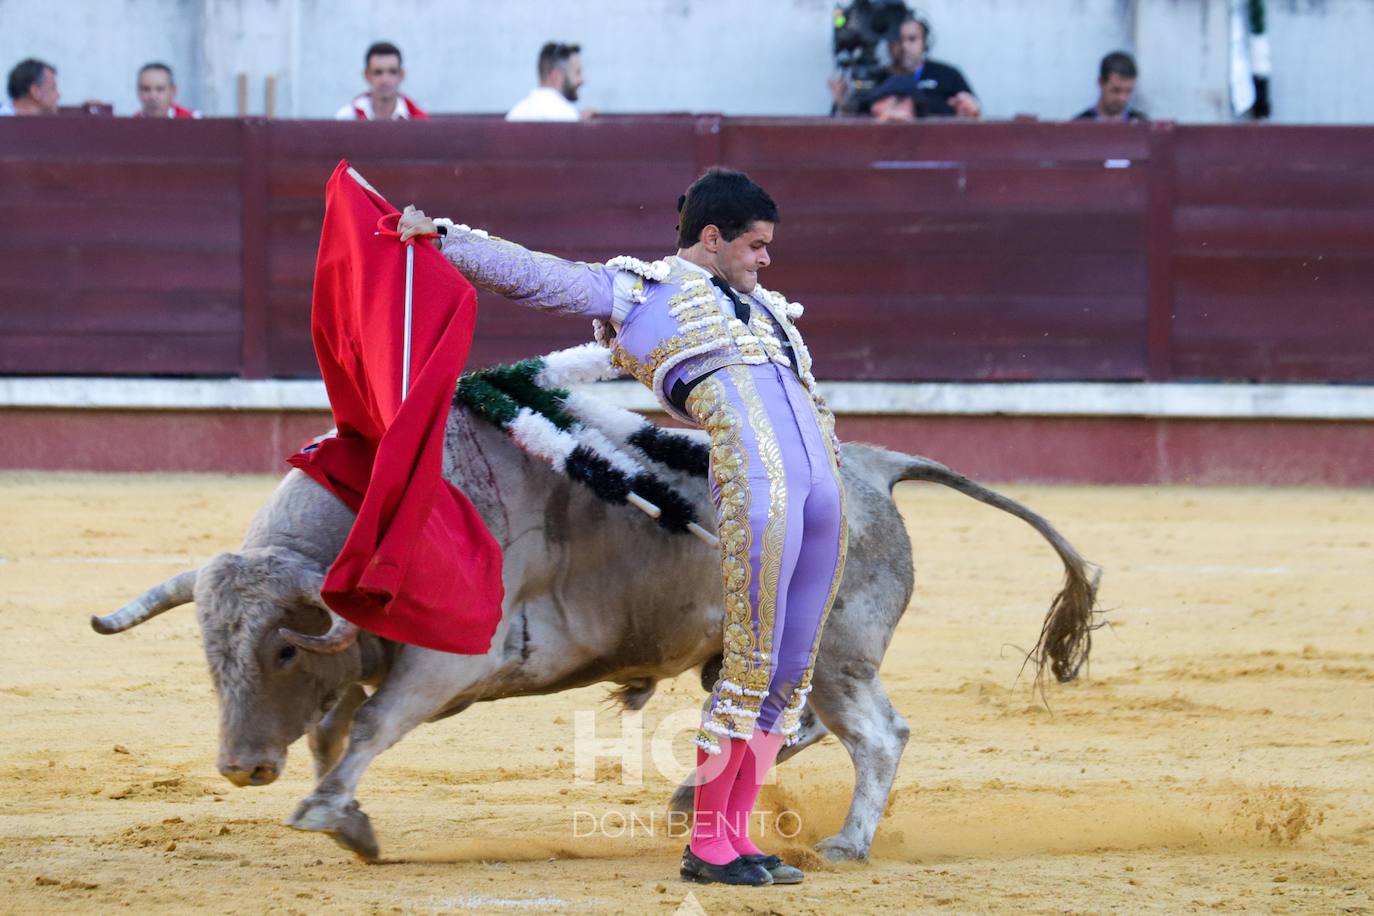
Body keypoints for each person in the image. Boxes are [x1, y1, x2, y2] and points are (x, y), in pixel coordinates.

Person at [398, 168, 845, 888]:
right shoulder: (642, 290)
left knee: (790, 673)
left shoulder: (765, 308)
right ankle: (709, 845)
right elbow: (537, 276)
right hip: (761, 486)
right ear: (712, 237)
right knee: (752, 664)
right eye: (756, 245)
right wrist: (445, 239)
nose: (766, 259)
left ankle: (737, 833)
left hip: (824, 489)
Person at [830, 10, 980, 119]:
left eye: (912, 39)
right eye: (898, 39)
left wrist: (968, 112)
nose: (904, 46)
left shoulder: (948, 76)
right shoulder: (871, 78)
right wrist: (843, 105)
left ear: (924, 42)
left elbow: (976, 120)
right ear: (888, 43)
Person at [335, 42, 429, 121]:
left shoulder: (419, 120)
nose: (385, 79)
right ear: (367, 76)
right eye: (378, 72)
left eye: (392, 72)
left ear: (401, 75)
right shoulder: (347, 118)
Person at [505, 41, 585, 122]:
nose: (582, 80)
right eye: (577, 73)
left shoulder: (516, 113)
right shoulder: (568, 115)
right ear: (556, 75)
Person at [1073, 51, 1147, 121]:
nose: (1122, 98)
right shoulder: (1078, 125)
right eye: (1116, 90)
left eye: (1128, 91)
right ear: (1101, 83)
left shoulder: (1143, 124)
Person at [133, 63, 200, 119]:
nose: (153, 96)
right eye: (146, 89)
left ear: (173, 91)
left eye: (160, 89)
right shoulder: (131, 125)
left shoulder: (193, 120)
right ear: (138, 91)